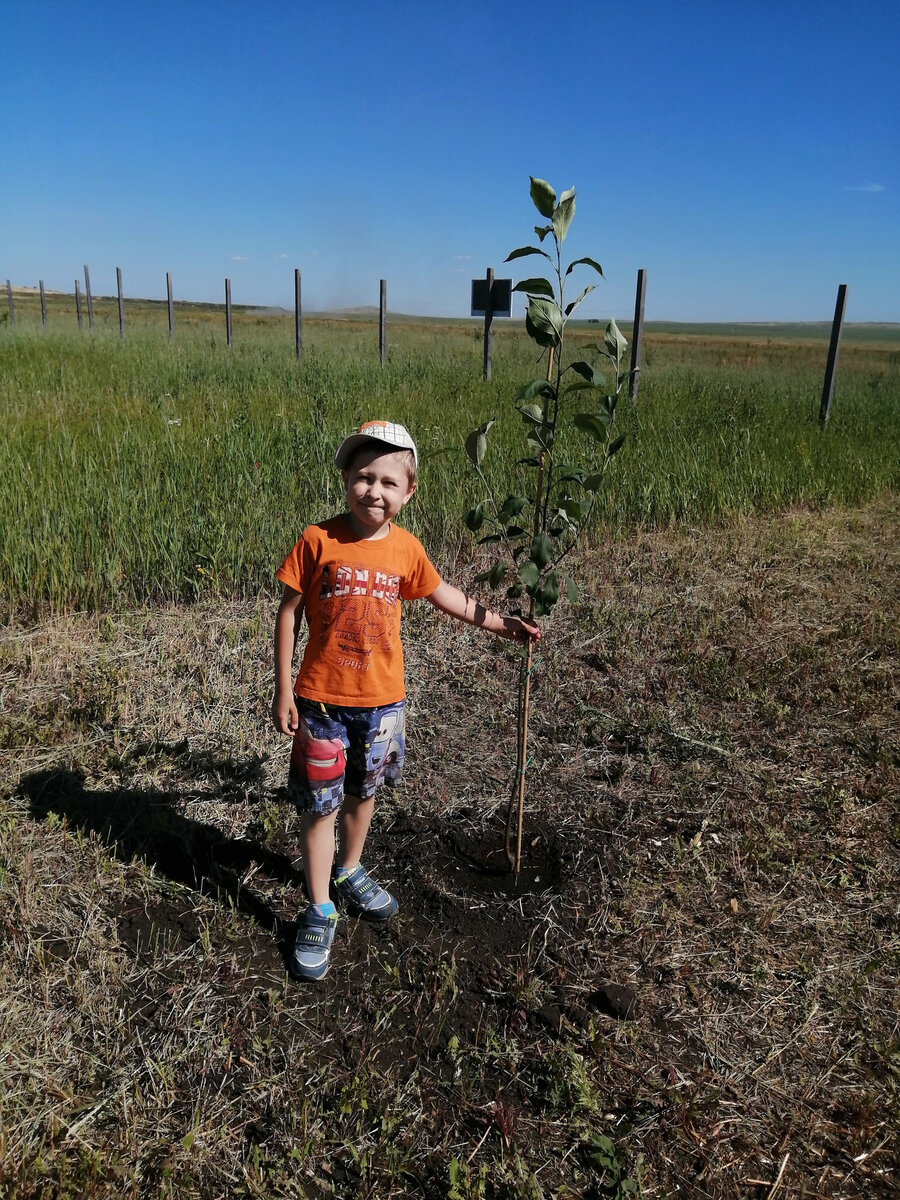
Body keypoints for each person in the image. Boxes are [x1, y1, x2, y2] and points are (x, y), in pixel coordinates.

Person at [271, 420, 539, 980]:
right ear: (345, 477)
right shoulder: (317, 540)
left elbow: (449, 598)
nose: (375, 491)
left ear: (408, 492)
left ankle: (350, 870)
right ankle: (320, 907)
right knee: (319, 805)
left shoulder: (407, 550)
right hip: (320, 702)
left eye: (389, 482)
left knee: (363, 793)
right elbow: (289, 613)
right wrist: (282, 690)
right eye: (364, 477)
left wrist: (501, 623)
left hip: (382, 704)